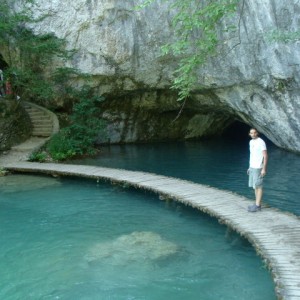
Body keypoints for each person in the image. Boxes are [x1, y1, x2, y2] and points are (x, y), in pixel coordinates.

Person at [247, 128, 268, 212]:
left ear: (257, 133)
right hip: (252, 167)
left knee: (258, 186)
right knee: (255, 186)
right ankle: (256, 203)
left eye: (255, 132)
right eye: (251, 133)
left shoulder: (261, 142)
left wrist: (264, 169)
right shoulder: (251, 142)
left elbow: (265, 156)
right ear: (249, 134)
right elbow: (252, 155)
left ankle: (258, 206)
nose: (253, 134)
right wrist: (249, 167)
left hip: (259, 167)